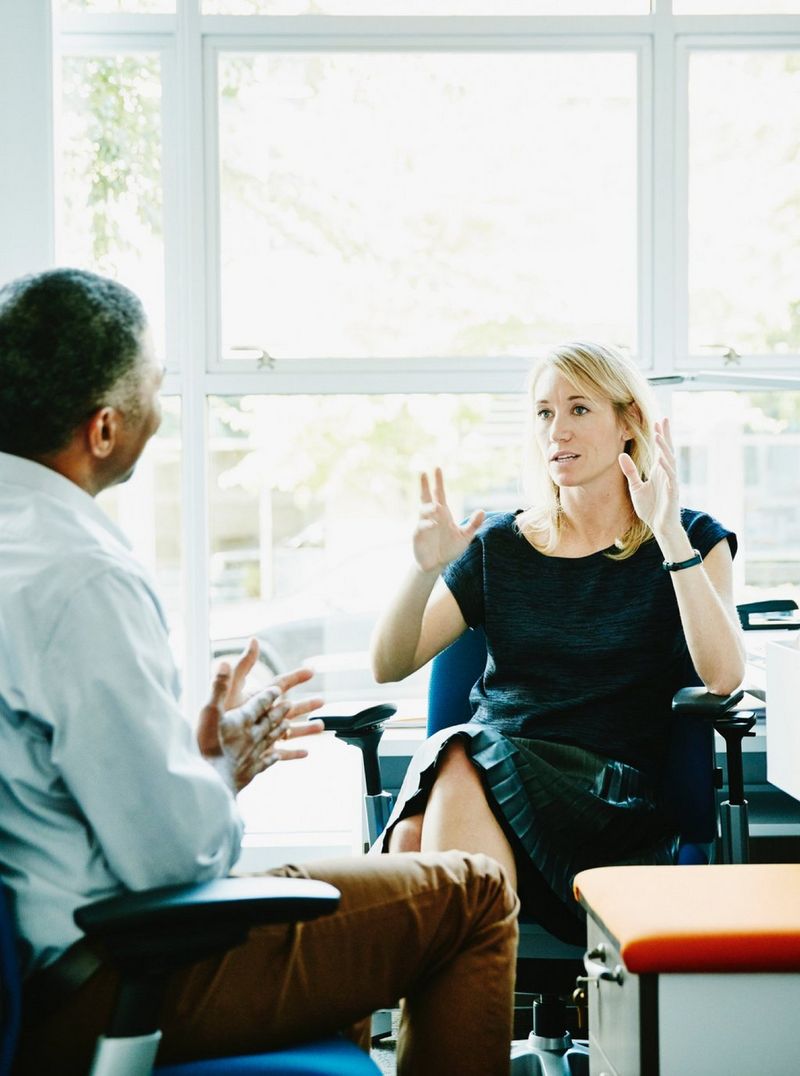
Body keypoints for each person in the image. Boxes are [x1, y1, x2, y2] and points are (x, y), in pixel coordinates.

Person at [0, 268, 519, 1076]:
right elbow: (173, 862)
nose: (163, 404)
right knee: (474, 894)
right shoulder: (81, 576)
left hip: (51, 958)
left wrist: (187, 759)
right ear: (104, 428)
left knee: (360, 931)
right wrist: (218, 769)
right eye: (154, 386)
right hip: (100, 981)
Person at [370, 340, 745, 941]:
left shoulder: (693, 535)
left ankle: (456, 1027)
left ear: (628, 424)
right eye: (544, 412)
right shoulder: (500, 543)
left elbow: (725, 678)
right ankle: (461, 1025)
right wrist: (421, 571)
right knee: (423, 824)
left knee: (455, 762)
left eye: (578, 409)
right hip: (487, 779)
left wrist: (668, 536)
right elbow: (388, 664)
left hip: (607, 799)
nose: (556, 430)